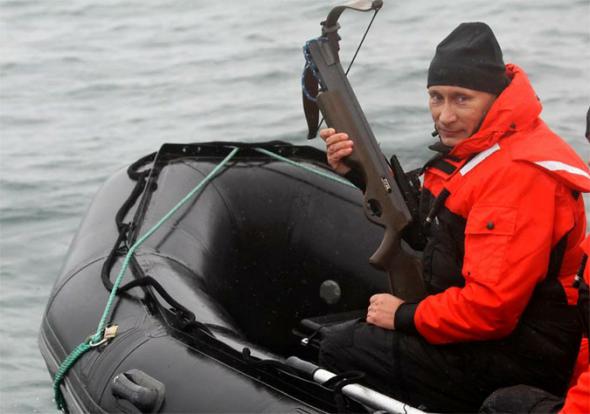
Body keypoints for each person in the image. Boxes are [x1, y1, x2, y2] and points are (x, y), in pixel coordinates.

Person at [318, 22, 590, 412]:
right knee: (357, 325)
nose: (444, 116)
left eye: (462, 99)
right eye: (436, 97)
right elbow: (429, 229)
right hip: (494, 336)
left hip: (523, 355)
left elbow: (491, 310)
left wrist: (406, 316)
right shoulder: (481, 148)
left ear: (495, 98)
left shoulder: (518, 175)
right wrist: (359, 171)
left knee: (339, 347)